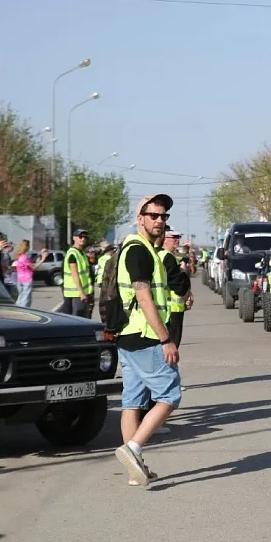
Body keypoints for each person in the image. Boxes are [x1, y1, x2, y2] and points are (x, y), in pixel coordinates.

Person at [114, 194, 182, 487]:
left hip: (129, 337)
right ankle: (133, 449)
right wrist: (166, 339)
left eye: (163, 216)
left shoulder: (146, 250)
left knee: (132, 402)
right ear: (139, 218)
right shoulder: (138, 250)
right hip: (145, 336)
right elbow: (143, 297)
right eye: (153, 215)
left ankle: (134, 469)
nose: (160, 221)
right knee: (169, 396)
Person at [159, 229, 192, 346]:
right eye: (174, 237)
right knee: (172, 344)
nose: (177, 240)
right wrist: (183, 270)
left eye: (178, 237)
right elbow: (177, 283)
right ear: (165, 239)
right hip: (170, 308)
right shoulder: (165, 257)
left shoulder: (171, 256)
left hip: (176, 306)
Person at [61, 228, 94, 318]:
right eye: (80, 237)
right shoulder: (73, 254)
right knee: (78, 318)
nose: (83, 239)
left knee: (82, 317)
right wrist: (82, 293)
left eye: (85, 237)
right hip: (76, 293)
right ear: (74, 238)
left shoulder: (81, 253)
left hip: (81, 292)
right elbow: (75, 274)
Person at [12, 241, 49, 308]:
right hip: (27, 279)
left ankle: (17, 309)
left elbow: (29, 262)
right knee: (26, 298)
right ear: (26, 247)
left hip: (19, 279)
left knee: (21, 296)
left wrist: (40, 254)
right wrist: (43, 259)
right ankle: (24, 311)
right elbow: (34, 267)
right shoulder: (24, 257)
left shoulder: (19, 256)